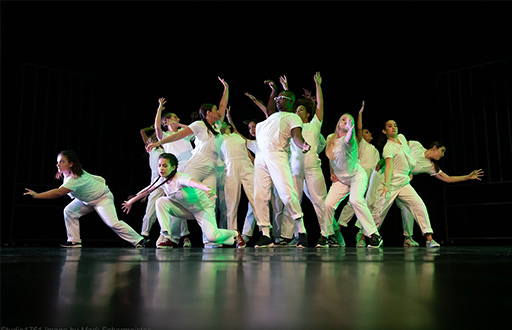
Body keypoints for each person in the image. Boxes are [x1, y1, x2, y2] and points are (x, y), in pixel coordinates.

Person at [147, 77, 228, 247]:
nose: (219, 112)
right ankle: (167, 236)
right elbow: (179, 135)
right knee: (178, 195)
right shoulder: (199, 124)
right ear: (207, 113)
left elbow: (222, 107)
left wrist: (226, 89)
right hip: (196, 165)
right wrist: (159, 142)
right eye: (214, 110)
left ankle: (209, 238)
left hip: (211, 169)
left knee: (209, 202)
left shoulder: (217, 126)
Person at [24, 150, 148, 248]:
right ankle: (74, 241)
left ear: (71, 164)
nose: (58, 164)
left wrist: (37, 195)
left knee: (112, 223)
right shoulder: (70, 173)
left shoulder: (75, 178)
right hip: (87, 200)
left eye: (62, 162)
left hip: (102, 199)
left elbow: (59, 192)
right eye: (58, 161)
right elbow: (99, 178)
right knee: (69, 211)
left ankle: (139, 240)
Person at [122, 153, 246, 249]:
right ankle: (166, 237)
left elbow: (195, 183)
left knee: (212, 237)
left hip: (202, 209)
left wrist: (207, 188)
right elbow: (147, 190)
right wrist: (130, 202)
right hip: (185, 210)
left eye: (165, 166)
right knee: (160, 201)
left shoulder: (181, 178)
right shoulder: (161, 180)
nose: (161, 169)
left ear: (173, 167)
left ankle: (234, 234)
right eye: (159, 165)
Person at [252, 82, 311, 248]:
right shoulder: (272, 117)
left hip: (277, 156)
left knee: (286, 193)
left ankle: (301, 231)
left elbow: (296, 135)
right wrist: (273, 91)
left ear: (291, 101)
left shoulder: (293, 117)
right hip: (261, 157)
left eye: (282, 99)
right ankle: (265, 234)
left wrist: (303, 145)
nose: (278, 101)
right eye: (278, 99)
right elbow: (270, 109)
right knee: (260, 195)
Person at [398, 140, 484, 246]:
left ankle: (414, 238)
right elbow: (399, 145)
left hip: (402, 183)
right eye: (442, 151)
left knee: (413, 207)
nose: (443, 155)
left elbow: (448, 178)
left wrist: (467, 177)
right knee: (377, 208)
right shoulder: (416, 146)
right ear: (434, 148)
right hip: (387, 176)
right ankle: (373, 237)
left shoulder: (431, 166)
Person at [372, 120, 440, 247]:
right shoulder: (388, 147)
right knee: (378, 212)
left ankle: (429, 239)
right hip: (390, 184)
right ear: (384, 131)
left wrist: (409, 170)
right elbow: (389, 167)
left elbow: (407, 157)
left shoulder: (402, 138)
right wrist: (386, 183)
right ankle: (367, 237)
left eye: (395, 125)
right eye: (389, 126)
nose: (393, 128)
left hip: (404, 183)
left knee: (419, 205)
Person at [322, 114, 383, 248]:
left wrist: (350, 131)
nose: (345, 122)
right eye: (343, 119)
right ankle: (326, 235)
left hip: (356, 176)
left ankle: (374, 235)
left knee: (355, 200)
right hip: (341, 179)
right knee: (328, 204)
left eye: (349, 121)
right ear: (338, 122)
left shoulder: (351, 140)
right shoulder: (330, 139)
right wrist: (332, 173)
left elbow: (347, 141)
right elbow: (331, 158)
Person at [153, 97, 193, 246]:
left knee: (188, 202)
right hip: (174, 171)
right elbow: (157, 128)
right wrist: (159, 109)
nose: (178, 119)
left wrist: (178, 124)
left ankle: (183, 236)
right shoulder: (166, 136)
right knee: (176, 202)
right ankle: (172, 236)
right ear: (167, 121)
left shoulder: (184, 132)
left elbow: (192, 129)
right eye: (175, 118)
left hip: (190, 169)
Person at [337, 102, 380, 230]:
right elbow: (359, 129)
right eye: (366, 132)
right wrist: (360, 114)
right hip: (361, 173)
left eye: (368, 132)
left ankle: (363, 233)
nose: (368, 133)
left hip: (372, 177)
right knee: (354, 201)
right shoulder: (361, 144)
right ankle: (339, 225)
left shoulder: (375, 150)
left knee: (368, 204)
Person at [221, 107, 258, 234]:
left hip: (246, 165)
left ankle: (264, 229)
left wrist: (229, 117)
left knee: (256, 197)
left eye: (223, 123)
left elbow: (248, 153)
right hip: (231, 166)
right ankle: (233, 233)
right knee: (232, 202)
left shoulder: (237, 136)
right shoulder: (220, 138)